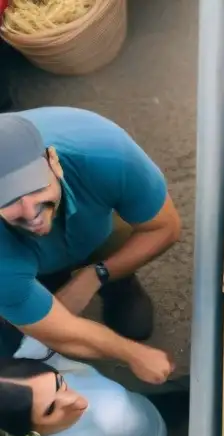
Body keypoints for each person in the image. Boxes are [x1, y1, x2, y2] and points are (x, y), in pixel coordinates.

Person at [0, 107, 179, 384]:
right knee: (30, 323)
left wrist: (96, 274)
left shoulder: (105, 154)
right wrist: (133, 354)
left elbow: (164, 228)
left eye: (35, 187)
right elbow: (55, 331)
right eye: (6, 199)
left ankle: (119, 286)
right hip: (24, 258)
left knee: (135, 324)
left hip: (97, 229)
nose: (30, 211)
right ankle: (46, 285)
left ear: (54, 162)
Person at [0, 337, 185, 436]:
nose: (77, 401)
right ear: (28, 435)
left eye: (59, 382)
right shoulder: (115, 424)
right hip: (132, 423)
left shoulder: (119, 420)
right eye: (51, 409)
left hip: (133, 423)